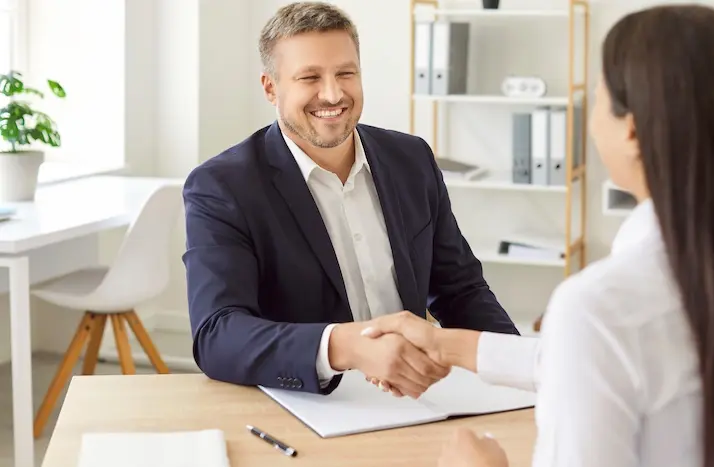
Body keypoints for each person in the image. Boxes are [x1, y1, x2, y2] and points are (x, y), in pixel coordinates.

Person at [360, 4, 714, 467]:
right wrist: (450, 346)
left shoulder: (599, 307)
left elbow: (600, 345)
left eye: (599, 97)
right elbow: (608, 361)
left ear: (631, 131)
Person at [181, 1, 518, 398]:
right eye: (309, 77)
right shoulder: (222, 187)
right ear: (271, 88)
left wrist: (523, 368)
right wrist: (346, 347)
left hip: (416, 397)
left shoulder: (411, 159)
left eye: (346, 73)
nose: (332, 93)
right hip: (308, 403)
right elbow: (218, 335)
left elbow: (460, 289)